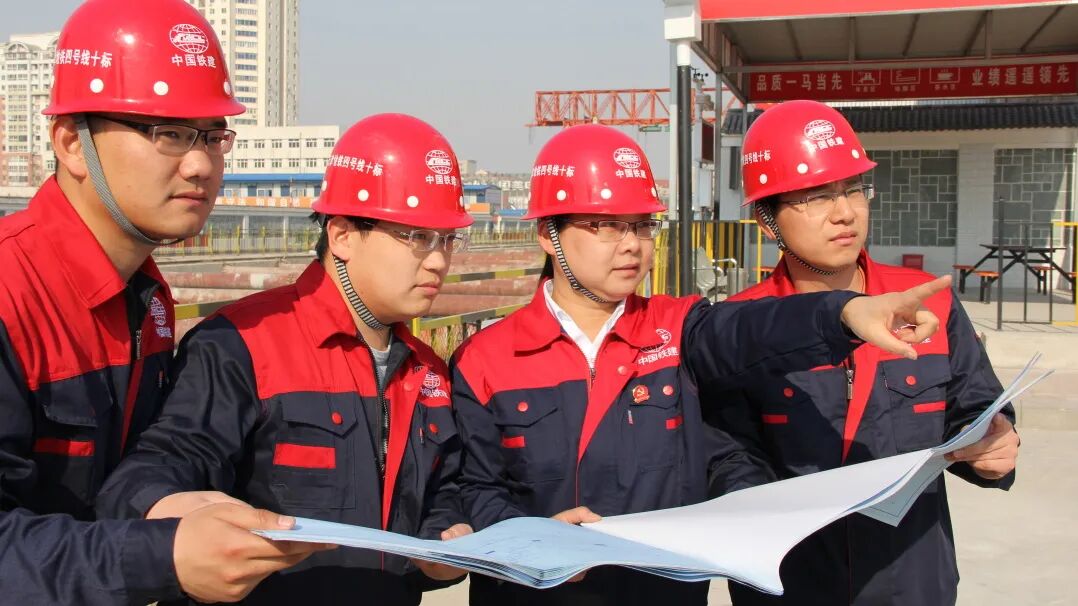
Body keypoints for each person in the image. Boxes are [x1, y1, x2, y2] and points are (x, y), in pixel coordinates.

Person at [449, 124, 951, 606]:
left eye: (642, 225)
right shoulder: (486, 358)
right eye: (606, 226)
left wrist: (843, 313)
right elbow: (474, 487)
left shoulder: (679, 331)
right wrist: (533, 539)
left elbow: (752, 330)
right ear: (548, 234)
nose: (631, 244)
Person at [0, 1, 326, 603]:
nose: (201, 164)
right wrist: (161, 554)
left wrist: (161, 503)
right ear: (72, 143)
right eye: (168, 133)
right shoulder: (11, 295)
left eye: (213, 136)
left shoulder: (147, 301)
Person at [97, 113, 474, 605]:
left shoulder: (427, 372)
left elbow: (441, 492)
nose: (439, 260)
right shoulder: (241, 344)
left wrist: (446, 541)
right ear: (342, 235)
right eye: (417, 237)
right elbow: (160, 468)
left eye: (447, 239)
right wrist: (164, 506)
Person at [707, 99, 1018, 606]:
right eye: (816, 197)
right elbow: (725, 453)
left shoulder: (928, 301)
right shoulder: (740, 329)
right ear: (767, 220)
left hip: (913, 579)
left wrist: (995, 443)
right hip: (791, 583)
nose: (845, 213)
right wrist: (751, 503)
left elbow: (975, 407)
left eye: (853, 189)